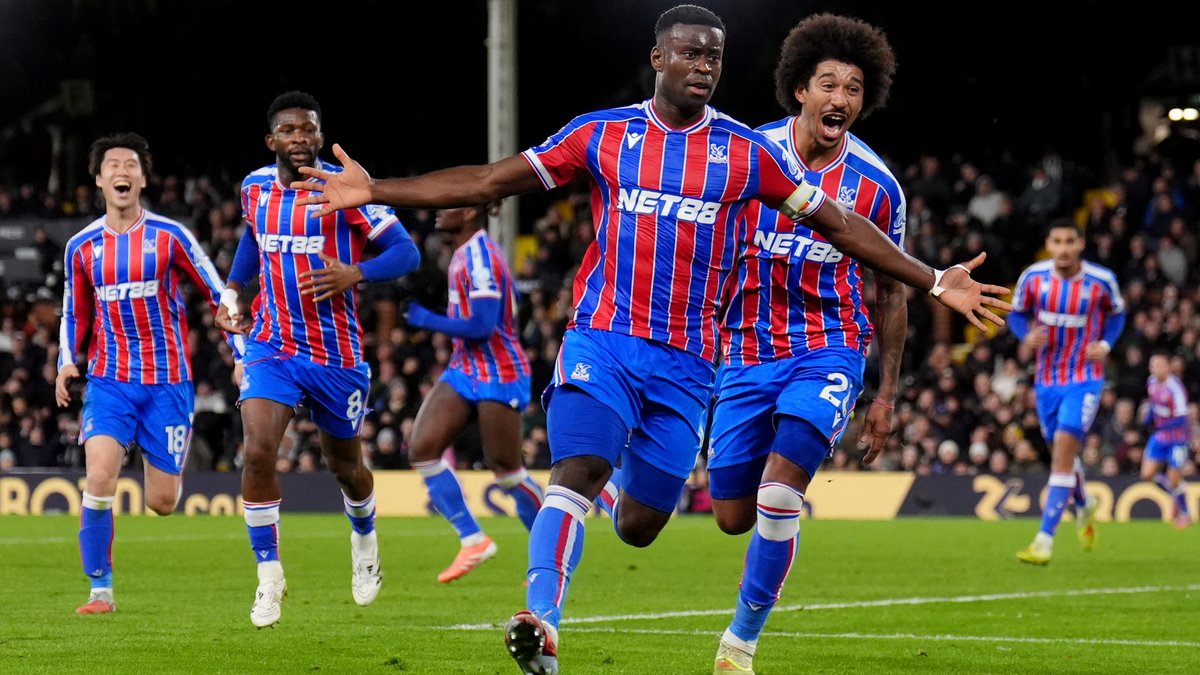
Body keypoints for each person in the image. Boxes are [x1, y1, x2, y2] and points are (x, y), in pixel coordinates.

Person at [292, 6, 1008, 672]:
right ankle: (541, 621)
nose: (703, 66)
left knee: (640, 524)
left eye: (714, 57)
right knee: (577, 470)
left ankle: (638, 507)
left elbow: (841, 226)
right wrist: (377, 190)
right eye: (690, 53)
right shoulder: (600, 134)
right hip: (602, 339)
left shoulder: (745, 155)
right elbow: (487, 180)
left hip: (690, 365)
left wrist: (931, 279)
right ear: (658, 57)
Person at [703, 14, 906, 673]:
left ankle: (740, 642)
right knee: (732, 514)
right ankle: (762, 542)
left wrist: (886, 394)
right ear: (800, 90)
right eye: (829, 84)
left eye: (854, 88)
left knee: (781, 491)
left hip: (830, 347)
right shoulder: (747, 155)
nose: (841, 98)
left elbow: (892, 291)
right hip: (745, 352)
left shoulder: (877, 186)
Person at [213, 91, 420, 628]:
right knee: (258, 452)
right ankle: (269, 576)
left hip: (336, 355)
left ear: (320, 136)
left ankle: (365, 537)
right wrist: (233, 290)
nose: (300, 138)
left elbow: (407, 252)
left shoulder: (346, 188)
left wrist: (358, 273)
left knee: (344, 467)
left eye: (308, 129)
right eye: (289, 130)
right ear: (271, 140)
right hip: (272, 345)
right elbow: (253, 237)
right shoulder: (255, 187)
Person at [56, 132, 239, 614]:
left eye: (130, 165)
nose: (122, 171)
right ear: (99, 179)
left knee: (162, 502)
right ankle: (100, 591)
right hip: (109, 380)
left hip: (167, 383)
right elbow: (74, 310)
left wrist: (241, 354)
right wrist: (66, 359)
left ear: (142, 178)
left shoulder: (170, 236)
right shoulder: (81, 246)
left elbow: (218, 293)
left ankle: (151, 450)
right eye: (112, 165)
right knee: (98, 477)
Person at [404, 204, 545, 583]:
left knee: (507, 470)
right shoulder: (463, 253)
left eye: (448, 204)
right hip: (465, 369)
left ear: (469, 212)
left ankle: (552, 550)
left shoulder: (482, 257)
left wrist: (427, 319)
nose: (437, 211)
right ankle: (473, 539)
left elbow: (483, 325)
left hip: (500, 372)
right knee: (422, 448)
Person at [1011, 218, 1125, 565]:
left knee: (1062, 451)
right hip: (1046, 381)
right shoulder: (1033, 278)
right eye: (1057, 241)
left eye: (1069, 241)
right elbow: (1016, 314)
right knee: (1063, 454)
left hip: (1085, 379)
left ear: (1080, 244)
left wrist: (1105, 344)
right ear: (1049, 244)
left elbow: (1117, 315)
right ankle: (1084, 504)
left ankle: (1043, 542)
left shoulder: (1101, 281)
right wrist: (1026, 335)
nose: (1063, 249)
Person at [1141, 350, 1192, 528]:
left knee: (1174, 478)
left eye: (1160, 365)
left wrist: (1161, 423)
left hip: (1177, 438)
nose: (1155, 368)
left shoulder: (1175, 388)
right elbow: (1154, 406)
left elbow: (1182, 417)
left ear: (1168, 367)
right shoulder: (1151, 382)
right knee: (1147, 474)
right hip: (1160, 436)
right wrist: (1147, 419)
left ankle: (1185, 513)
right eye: (1153, 365)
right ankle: (1175, 495)